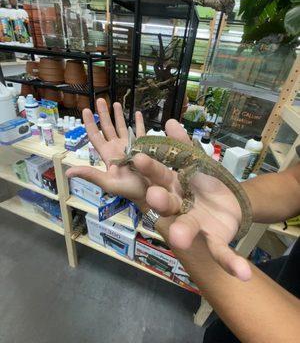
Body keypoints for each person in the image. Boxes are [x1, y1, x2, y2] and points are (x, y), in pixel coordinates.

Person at [66, 99, 300, 343]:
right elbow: (296, 181)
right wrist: (231, 203)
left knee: (184, 177)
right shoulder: (136, 151)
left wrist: (168, 200)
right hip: (284, 275)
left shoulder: (135, 154)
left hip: (194, 165)